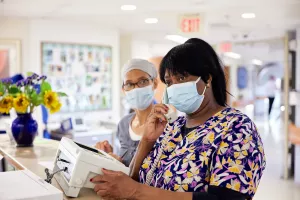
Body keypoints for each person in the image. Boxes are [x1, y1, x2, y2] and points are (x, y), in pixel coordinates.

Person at [90, 38, 266, 200]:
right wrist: (147, 140)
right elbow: (134, 180)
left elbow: (225, 199)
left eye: (182, 78)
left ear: (207, 78)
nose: (174, 87)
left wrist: (136, 191)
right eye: (170, 82)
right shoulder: (173, 127)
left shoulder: (236, 127)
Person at [95, 59, 158, 166]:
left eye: (143, 81)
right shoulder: (123, 124)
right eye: (129, 84)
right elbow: (125, 163)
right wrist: (110, 156)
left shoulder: (164, 124)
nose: (136, 89)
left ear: (154, 83)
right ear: (123, 90)